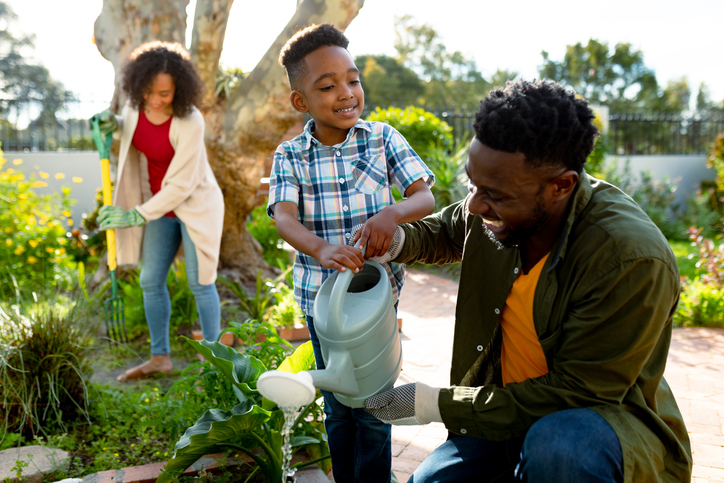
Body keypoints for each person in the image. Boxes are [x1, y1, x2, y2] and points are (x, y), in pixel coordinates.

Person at [364, 79, 693, 482]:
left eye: (495, 196)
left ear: (561, 186)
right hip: (499, 416)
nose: (475, 204)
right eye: (472, 184)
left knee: (559, 450)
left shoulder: (629, 258)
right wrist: (389, 241)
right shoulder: (496, 202)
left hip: (595, 429)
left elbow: (575, 393)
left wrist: (433, 404)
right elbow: (448, 231)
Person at [267, 23, 435, 483]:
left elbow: (425, 197)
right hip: (324, 306)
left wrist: (392, 216)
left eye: (353, 79)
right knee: (340, 404)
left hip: (378, 302)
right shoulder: (291, 155)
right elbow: (283, 217)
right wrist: (320, 249)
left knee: (375, 407)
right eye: (327, 85)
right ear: (301, 101)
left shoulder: (382, 138)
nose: (346, 93)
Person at [94, 41, 224, 382]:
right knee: (150, 279)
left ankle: (216, 365)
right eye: (149, 91)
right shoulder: (136, 109)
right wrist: (113, 125)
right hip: (159, 206)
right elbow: (133, 133)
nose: (155, 100)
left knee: (201, 282)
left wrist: (136, 214)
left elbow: (181, 186)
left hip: (195, 206)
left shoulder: (190, 120)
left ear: (179, 89)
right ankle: (159, 358)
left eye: (164, 94)